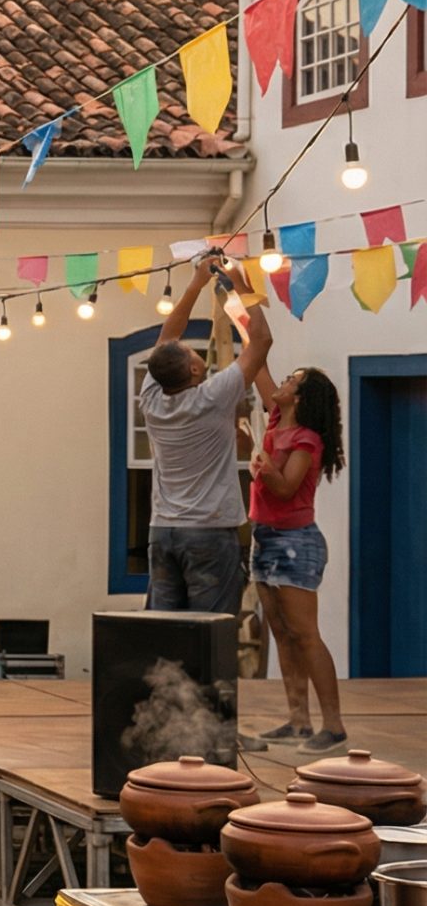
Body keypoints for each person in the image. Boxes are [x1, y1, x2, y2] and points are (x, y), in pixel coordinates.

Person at [141, 257, 272, 616]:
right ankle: (208, 678)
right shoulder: (213, 397)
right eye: (191, 353)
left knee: (166, 629)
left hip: (163, 530)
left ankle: (166, 676)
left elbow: (167, 339)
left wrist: (195, 285)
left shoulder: (151, 399)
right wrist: (242, 285)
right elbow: (261, 341)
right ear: (196, 369)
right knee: (210, 628)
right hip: (210, 531)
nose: (189, 349)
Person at [242, 365, 348, 753]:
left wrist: (266, 469)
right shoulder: (274, 420)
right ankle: (299, 721)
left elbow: (286, 488)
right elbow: (260, 367)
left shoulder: (306, 439)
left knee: (305, 634)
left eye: (292, 381)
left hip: (295, 542)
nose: (283, 383)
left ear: (300, 398)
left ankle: (333, 725)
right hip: (265, 536)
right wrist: (243, 306)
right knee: (282, 635)